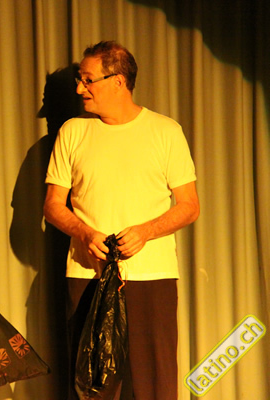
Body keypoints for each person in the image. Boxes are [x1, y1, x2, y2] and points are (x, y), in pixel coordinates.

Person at [43, 41, 200, 400]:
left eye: (88, 80)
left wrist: (146, 232)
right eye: (79, 80)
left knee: (155, 382)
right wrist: (84, 233)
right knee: (91, 384)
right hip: (87, 275)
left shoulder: (165, 131)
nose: (80, 89)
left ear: (117, 81)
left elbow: (189, 206)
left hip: (151, 276)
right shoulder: (73, 132)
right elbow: (52, 205)